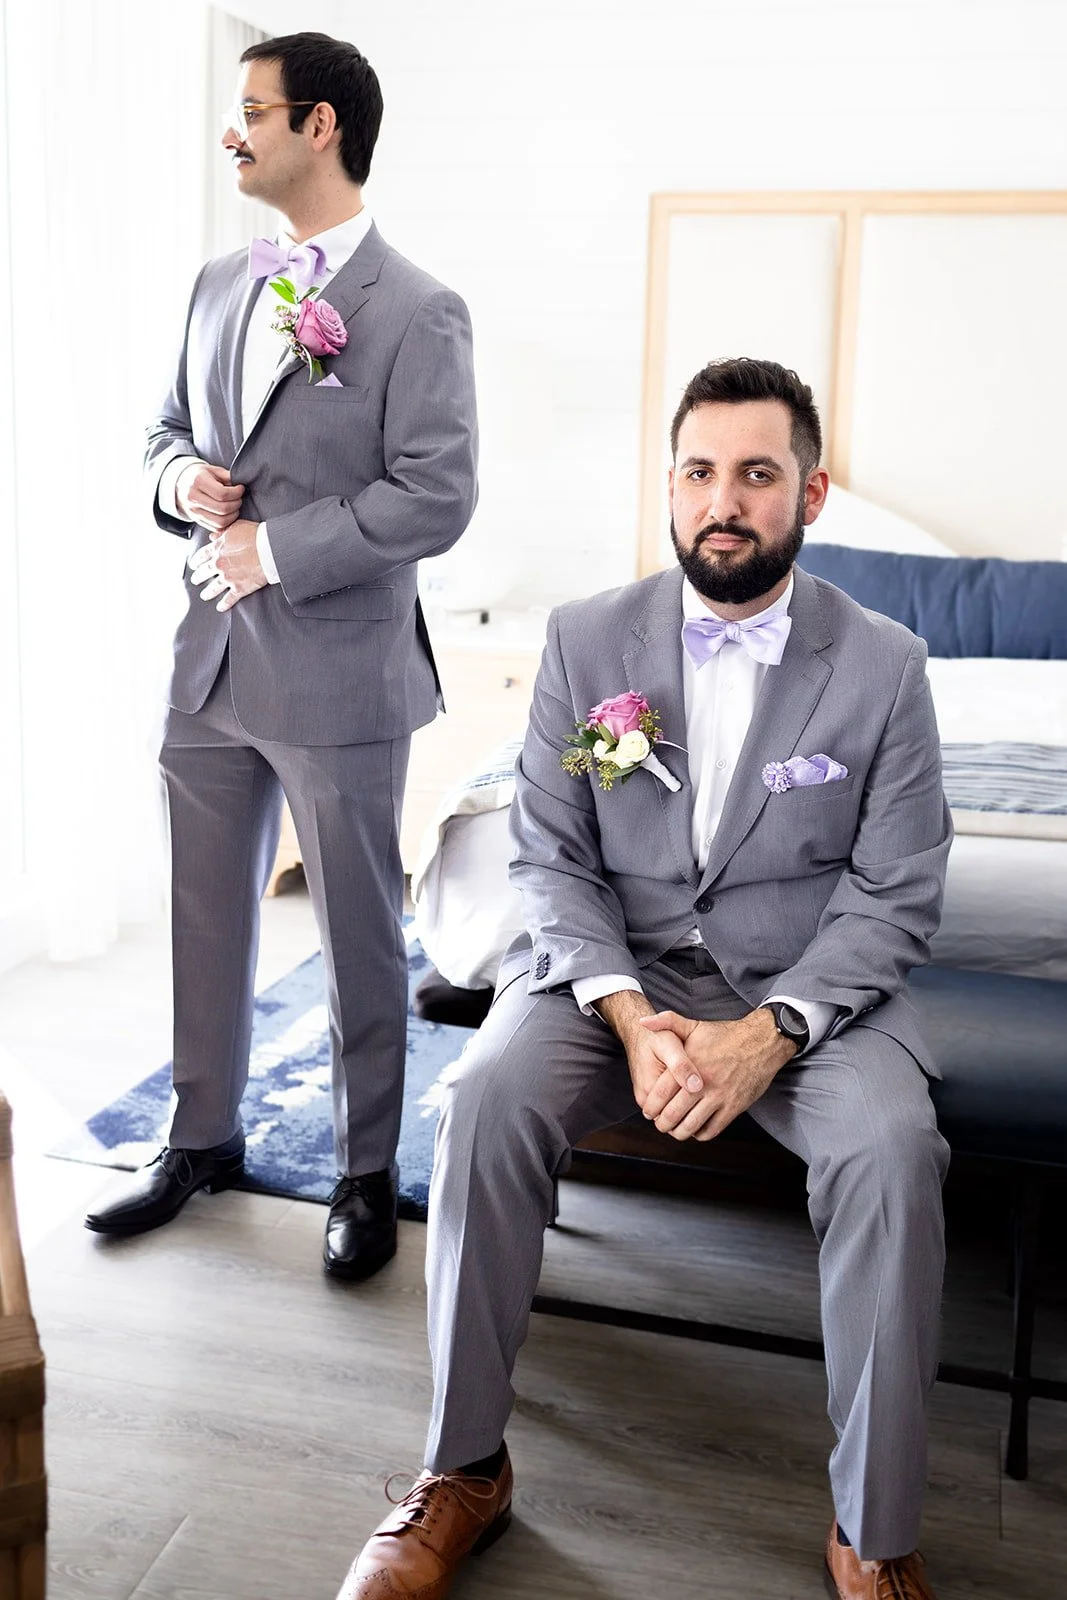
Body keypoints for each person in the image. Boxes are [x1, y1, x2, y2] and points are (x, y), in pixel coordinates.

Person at [337, 358, 951, 1599]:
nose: (723, 499)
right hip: (614, 978)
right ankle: (462, 1471)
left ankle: (871, 1531)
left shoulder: (886, 664)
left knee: (892, 1150)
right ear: (669, 486)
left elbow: (894, 890)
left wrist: (766, 1032)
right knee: (481, 1099)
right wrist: (622, 1012)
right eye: (698, 471)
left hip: (806, 997)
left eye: (756, 474)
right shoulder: (582, 637)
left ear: (809, 493)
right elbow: (546, 854)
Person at [85, 32, 478, 1282]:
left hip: (340, 674)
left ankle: (365, 1169)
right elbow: (159, 427)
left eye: (249, 111)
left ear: (319, 125)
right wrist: (176, 477)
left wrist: (280, 549)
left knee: (361, 929)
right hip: (205, 662)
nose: (230, 134)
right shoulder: (217, 283)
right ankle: (200, 1136)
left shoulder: (417, 309)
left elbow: (438, 493)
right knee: (203, 913)